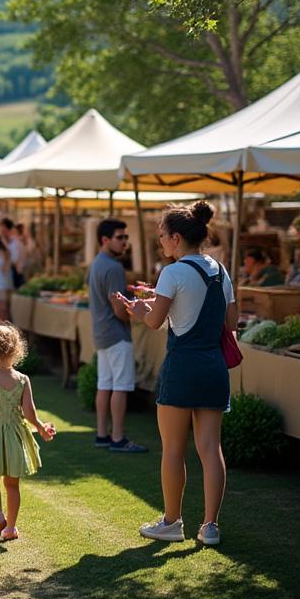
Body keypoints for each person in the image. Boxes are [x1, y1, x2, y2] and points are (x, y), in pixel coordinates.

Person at [122, 201, 235, 547]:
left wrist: (141, 309)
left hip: (183, 366)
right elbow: (230, 324)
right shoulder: (220, 270)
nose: (160, 244)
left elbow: (155, 322)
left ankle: (172, 522)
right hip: (214, 367)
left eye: (161, 238)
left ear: (175, 238)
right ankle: (210, 526)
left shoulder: (171, 273)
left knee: (173, 448)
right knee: (210, 448)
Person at [0, 324, 56, 541]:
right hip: (16, 436)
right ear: (16, 350)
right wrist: (41, 427)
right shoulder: (23, 379)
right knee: (12, 484)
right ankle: (10, 528)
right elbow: (29, 412)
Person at [87, 219, 148, 453]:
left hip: (102, 333)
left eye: (126, 237)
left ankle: (103, 434)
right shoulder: (113, 267)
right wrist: (138, 307)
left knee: (105, 385)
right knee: (120, 387)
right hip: (116, 334)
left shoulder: (97, 264)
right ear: (105, 240)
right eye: (120, 237)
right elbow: (121, 312)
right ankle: (118, 438)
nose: (125, 242)